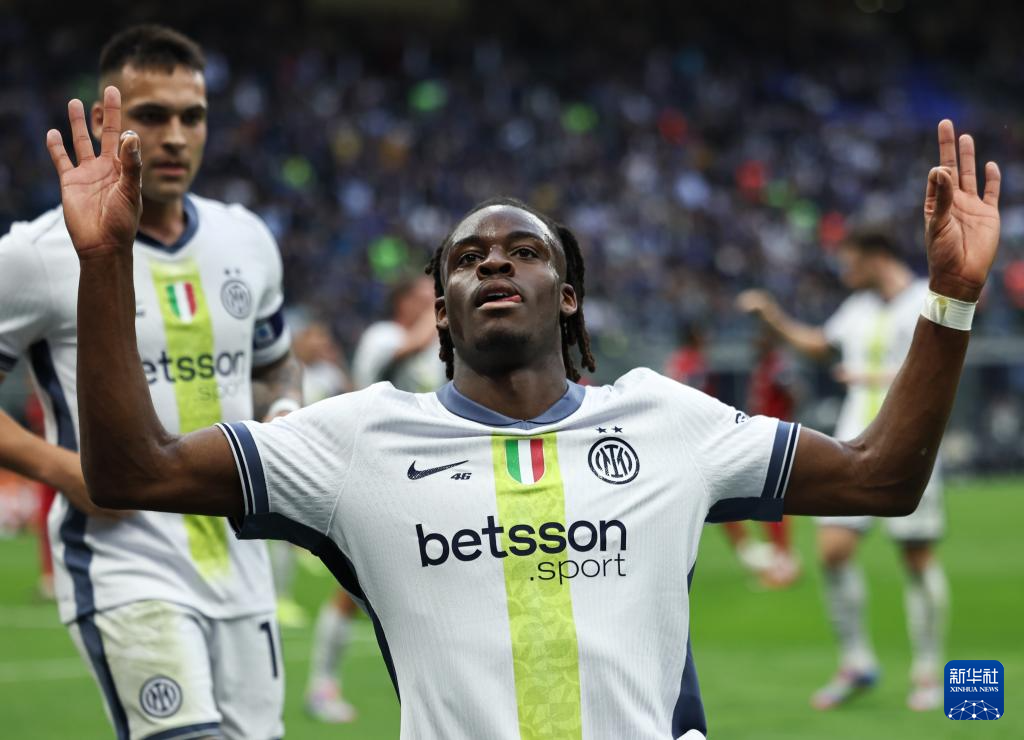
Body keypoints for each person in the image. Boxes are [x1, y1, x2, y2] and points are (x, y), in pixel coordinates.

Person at [47, 91, 998, 738]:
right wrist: (105, 263)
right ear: (441, 310)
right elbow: (131, 472)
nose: (494, 261)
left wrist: (951, 299)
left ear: (568, 296)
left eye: (524, 251)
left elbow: (881, 476)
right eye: (467, 259)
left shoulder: (668, 420)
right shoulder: (356, 440)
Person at [0, 26, 301, 739]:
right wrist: (69, 472)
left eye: (191, 117)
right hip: (124, 563)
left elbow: (275, 364)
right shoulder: (37, 253)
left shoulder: (247, 239)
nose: (174, 137)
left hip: (240, 561)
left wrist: (287, 407)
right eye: (151, 116)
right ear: (109, 119)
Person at [738, 229, 952, 711]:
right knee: (833, 551)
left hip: (914, 446)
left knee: (917, 558)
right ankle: (856, 663)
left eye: (850, 261)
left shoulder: (926, 300)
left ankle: (927, 671)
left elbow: (944, 366)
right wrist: (772, 317)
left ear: (876, 257)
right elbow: (820, 345)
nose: (844, 271)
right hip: (854, 445)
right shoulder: (857, 308)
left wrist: (871, 376)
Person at [303, 277, 445, 723]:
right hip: (379, 474)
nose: (433, 301)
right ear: (402, 302)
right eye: (425, 296)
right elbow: (395, 360)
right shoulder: (383, 336)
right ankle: (321, 687)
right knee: (353, 588)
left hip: (426, 478)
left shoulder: (436, 350)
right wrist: (438, 316)